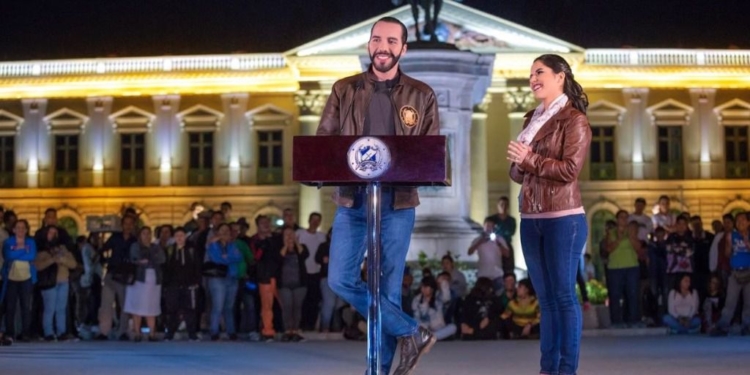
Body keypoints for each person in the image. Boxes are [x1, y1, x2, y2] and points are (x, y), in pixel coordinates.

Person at [317, 16, 440, 375]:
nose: (381, 47)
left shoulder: (421, 94)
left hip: (397, 203)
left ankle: (379, 371)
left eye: (390, 41)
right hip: (353, 200)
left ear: (403, 48)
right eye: (376, 40)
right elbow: (325, 139)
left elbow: (431, 151)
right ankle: (411, 331)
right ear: (369, 45)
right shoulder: (345, 89)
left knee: (388, 291)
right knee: (340, 278)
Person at [507, 54, 591, 375]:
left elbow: (569, 169)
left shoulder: (574, 120)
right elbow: (519, 174)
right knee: (546, 300)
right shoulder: (531, 117)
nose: (532, 79)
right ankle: (547, 368)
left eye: (539, 72)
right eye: (530, 74)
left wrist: (527, 159)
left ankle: (566, 369)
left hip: (563, 217)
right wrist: (518, 162)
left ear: (560, 76)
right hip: (531, 218)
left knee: (564, 297)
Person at [35, 227, 78, 341]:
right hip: (49, 282)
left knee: (61, 309)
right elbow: (38, 266)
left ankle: (61, 332)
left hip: (63, 281)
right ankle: (48, 332)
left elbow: (73, 264)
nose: (53, 235)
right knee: (49, 308)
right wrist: (52, 260)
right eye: (50, 232)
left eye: (55, 233)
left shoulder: (63, 249)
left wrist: (63, 260)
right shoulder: (41, 250)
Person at [711, 212, 750, 336]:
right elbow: (728, 254)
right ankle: (723, 326)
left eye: (743, 220)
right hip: (735, 272)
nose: (740, 223)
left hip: (749, 272)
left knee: (748, 302)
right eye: (738, 220)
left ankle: (747, 325)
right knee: (730, 301)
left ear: (748, 222)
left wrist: (746, 240)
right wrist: (729, 246)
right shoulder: (731, 235)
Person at [124, 226, 165, 342]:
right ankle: (137, 333)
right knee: (137, 306)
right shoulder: (135, 246)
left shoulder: (156, 247)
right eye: (144, 234)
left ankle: (152, 333)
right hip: (138, 278)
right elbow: (135, 258)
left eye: (148, 233)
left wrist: (148, 260)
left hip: (154, 278)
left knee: (152, 306)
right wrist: (145, 260)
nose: (146, 236)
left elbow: (162, 259)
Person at [206, 223, 244, 341]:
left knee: (229, 307)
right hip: (218, 279)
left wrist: (225, 257)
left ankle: (231, 331)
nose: (225, 232)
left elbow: (239, 257)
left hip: (232, 277)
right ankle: (214, 331)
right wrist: (228, 258)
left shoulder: (233, 245)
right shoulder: (213, 244)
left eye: (227, 230)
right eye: (222, 230)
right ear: (217, 232)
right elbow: (216, 258)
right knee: (218, 306)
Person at [1, 220, 37, 342]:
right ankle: (10, 333)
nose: (20, 230)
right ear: (14, 229)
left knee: (26, 307)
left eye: (23, 228)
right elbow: (8, 256)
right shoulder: (8, 242)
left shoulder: (31, 242)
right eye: (18, 227)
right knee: (10, 307)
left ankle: (25, 333)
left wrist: (16, 251)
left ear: (26, 230)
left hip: (27, 278)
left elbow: (31, 256)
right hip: (11, 277)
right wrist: (23, 251)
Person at [163, 228, 202, 341]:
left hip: (189, 284)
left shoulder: (192, 249)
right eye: (177, 236)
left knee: (190, 309)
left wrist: (196, 282)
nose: (179, 238)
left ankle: (192, 334)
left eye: (181, 235)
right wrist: (166, 283)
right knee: (172, 310)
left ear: (185, 237)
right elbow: (166, 267)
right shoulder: (170, 250)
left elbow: (197, 266)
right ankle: (169, 333)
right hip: (173, 284)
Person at [278, 226, 309, 342]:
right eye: (287, 234)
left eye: (291, 234)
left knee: (297, 307)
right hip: (284, 284)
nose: (289, 236)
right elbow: (278, 259)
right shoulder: (279, 248)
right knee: (287, 306)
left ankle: (295, 330)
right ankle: (287, 330)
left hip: (300, 283)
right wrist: (286, 246)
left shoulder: (301, 247)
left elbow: (304, 255)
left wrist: (295, 242)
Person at [468, 219, 509, 292]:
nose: (489, 228)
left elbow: (507, 254)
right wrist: (480, 242)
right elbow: (469, 252)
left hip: (497, 275)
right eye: (487, 226)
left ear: (494, 228)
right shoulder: (478, 239)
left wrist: (498, 243)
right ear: (484, 227)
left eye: (491, 226)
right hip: (483, 275)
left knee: (498, 297)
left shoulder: (500, 239)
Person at [411, 276, 456, 341]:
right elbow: (416, 317)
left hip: (438, 328)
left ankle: (432, 337)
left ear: (432, 288)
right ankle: (433, 337)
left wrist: (443, 282)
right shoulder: (417, 300)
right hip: (424, 328)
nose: (423, 289)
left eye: (426, 287)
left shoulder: (438, 297)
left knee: (453, 327)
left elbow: (447, 298)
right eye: (422, 287)